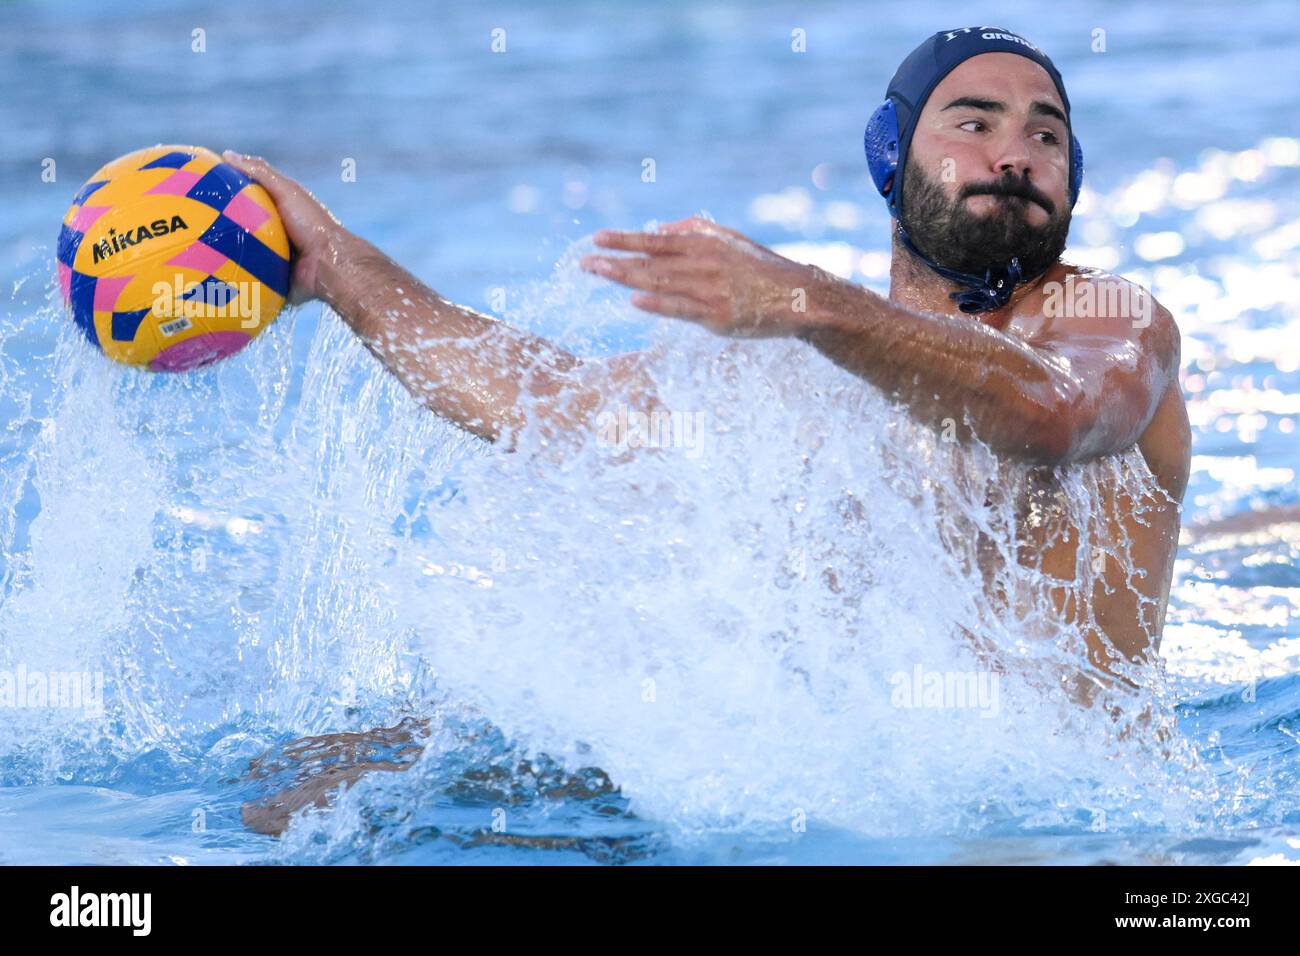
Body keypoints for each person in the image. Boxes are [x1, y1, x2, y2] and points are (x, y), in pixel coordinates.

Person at [227, 25, 1190, 834]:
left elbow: (1055, 414)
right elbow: (543, 407)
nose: (1014, 154)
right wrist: (332, 266)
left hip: (1074, 834)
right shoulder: (811, 371)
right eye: (973, 123)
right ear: (891, 155)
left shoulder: (1111, 320)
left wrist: (807, 302)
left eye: (1046, 134)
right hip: (851, 812)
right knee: (315, 786)